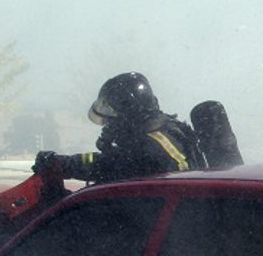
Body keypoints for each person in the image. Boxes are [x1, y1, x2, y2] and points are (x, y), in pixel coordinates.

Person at [33, 72, 203, 184]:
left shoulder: (149, 148)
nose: (108, 123)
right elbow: (107, 161)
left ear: (128, 112)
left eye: (111, 112)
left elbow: (103, 165)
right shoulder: (167, 131)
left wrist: (60, 164)